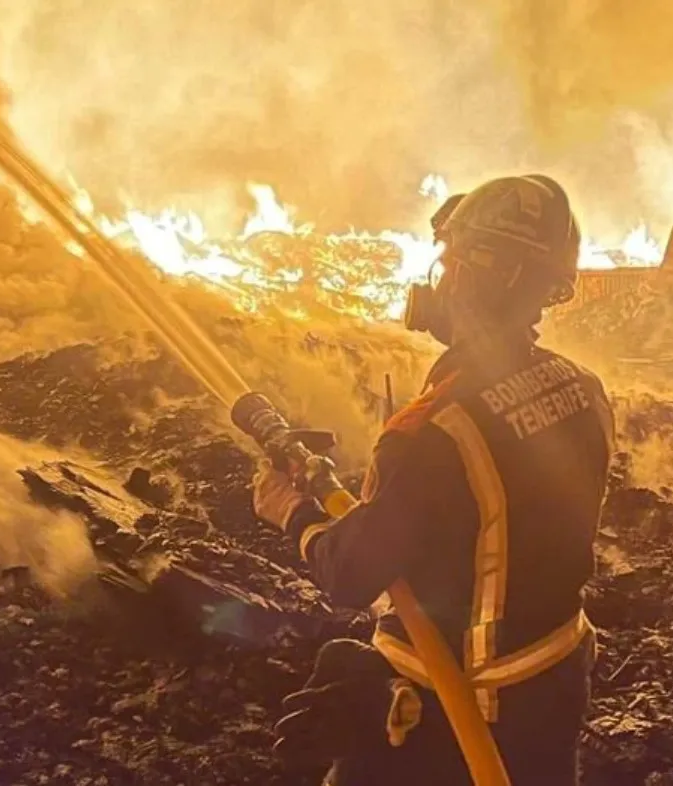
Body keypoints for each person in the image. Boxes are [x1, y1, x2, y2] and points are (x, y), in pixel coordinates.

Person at [252, 175, 615, 785]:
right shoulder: (583, 387)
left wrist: (292, 510)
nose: (439, 278)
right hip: (552, 685)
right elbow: (475, 507)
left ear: (487, 273)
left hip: (457, 710)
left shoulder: (434, 430)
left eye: (451, 259)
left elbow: (352, 572)